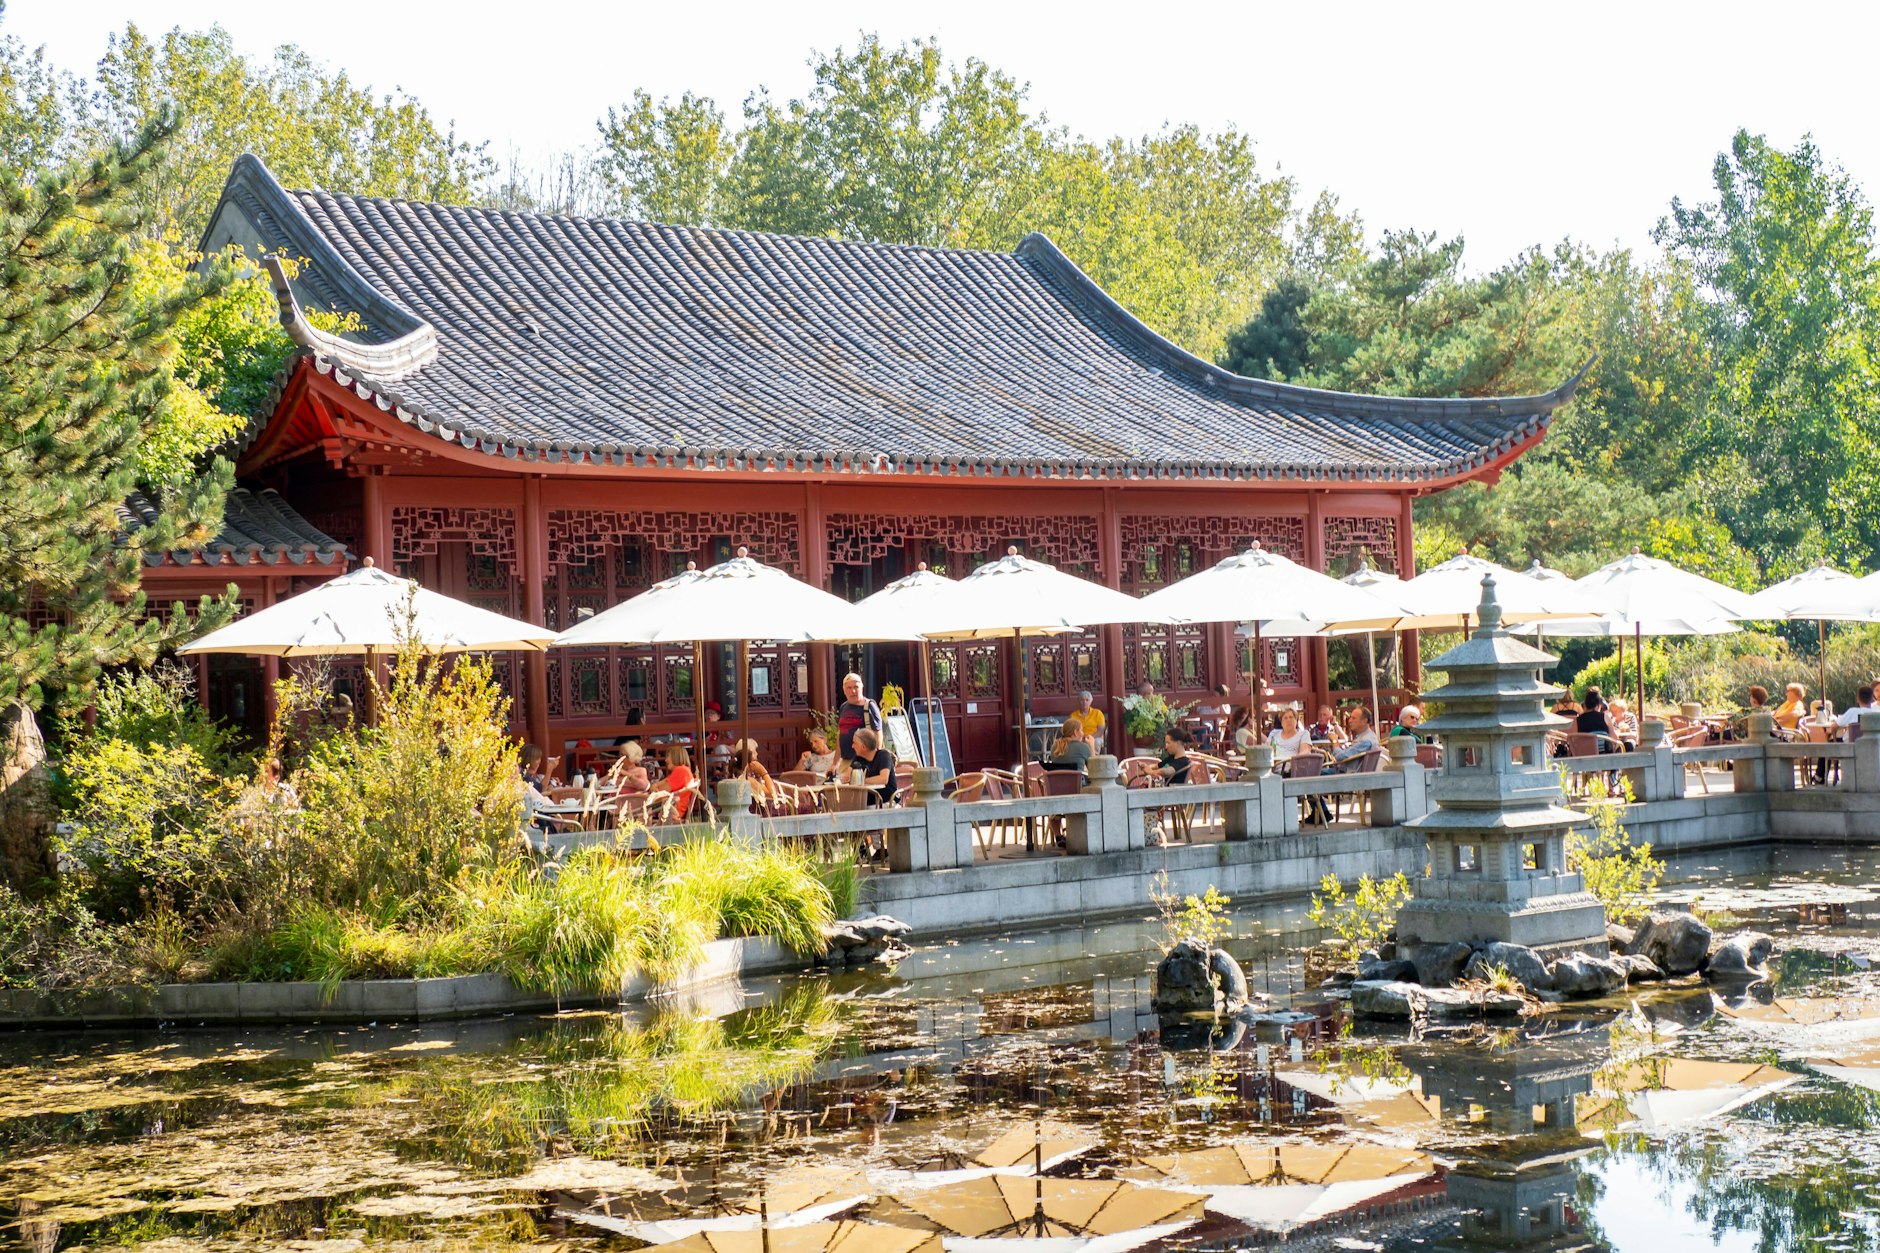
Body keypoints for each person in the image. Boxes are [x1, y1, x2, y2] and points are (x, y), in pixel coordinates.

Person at [836, 672, 884, 760]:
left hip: (864, 760)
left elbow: (877, 734)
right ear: (844, 690)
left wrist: (874, 761)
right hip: (846, 760)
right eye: (849, 688)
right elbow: (840, 734)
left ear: (862, 688)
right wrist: (834, 763)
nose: (853, 691)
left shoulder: (869, 706)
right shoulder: (843, 707)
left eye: (856, 687)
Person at [848, 726, 898, 807]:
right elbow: (847, 777)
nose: (852, 746)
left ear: (863, 747)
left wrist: (861, 780)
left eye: (854, 743)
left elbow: (883, 779)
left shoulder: (883, 755)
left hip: (886, 802)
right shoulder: (858, 758)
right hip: (865, 803)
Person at [655, 745, 696, 821]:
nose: (666, 760)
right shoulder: (684, 770)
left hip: (670, 812)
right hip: (669, 809)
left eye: (668, 757)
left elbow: (659, 793)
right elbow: (656, 787)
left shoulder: (681, 771)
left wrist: (655, 787)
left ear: (675, 757)